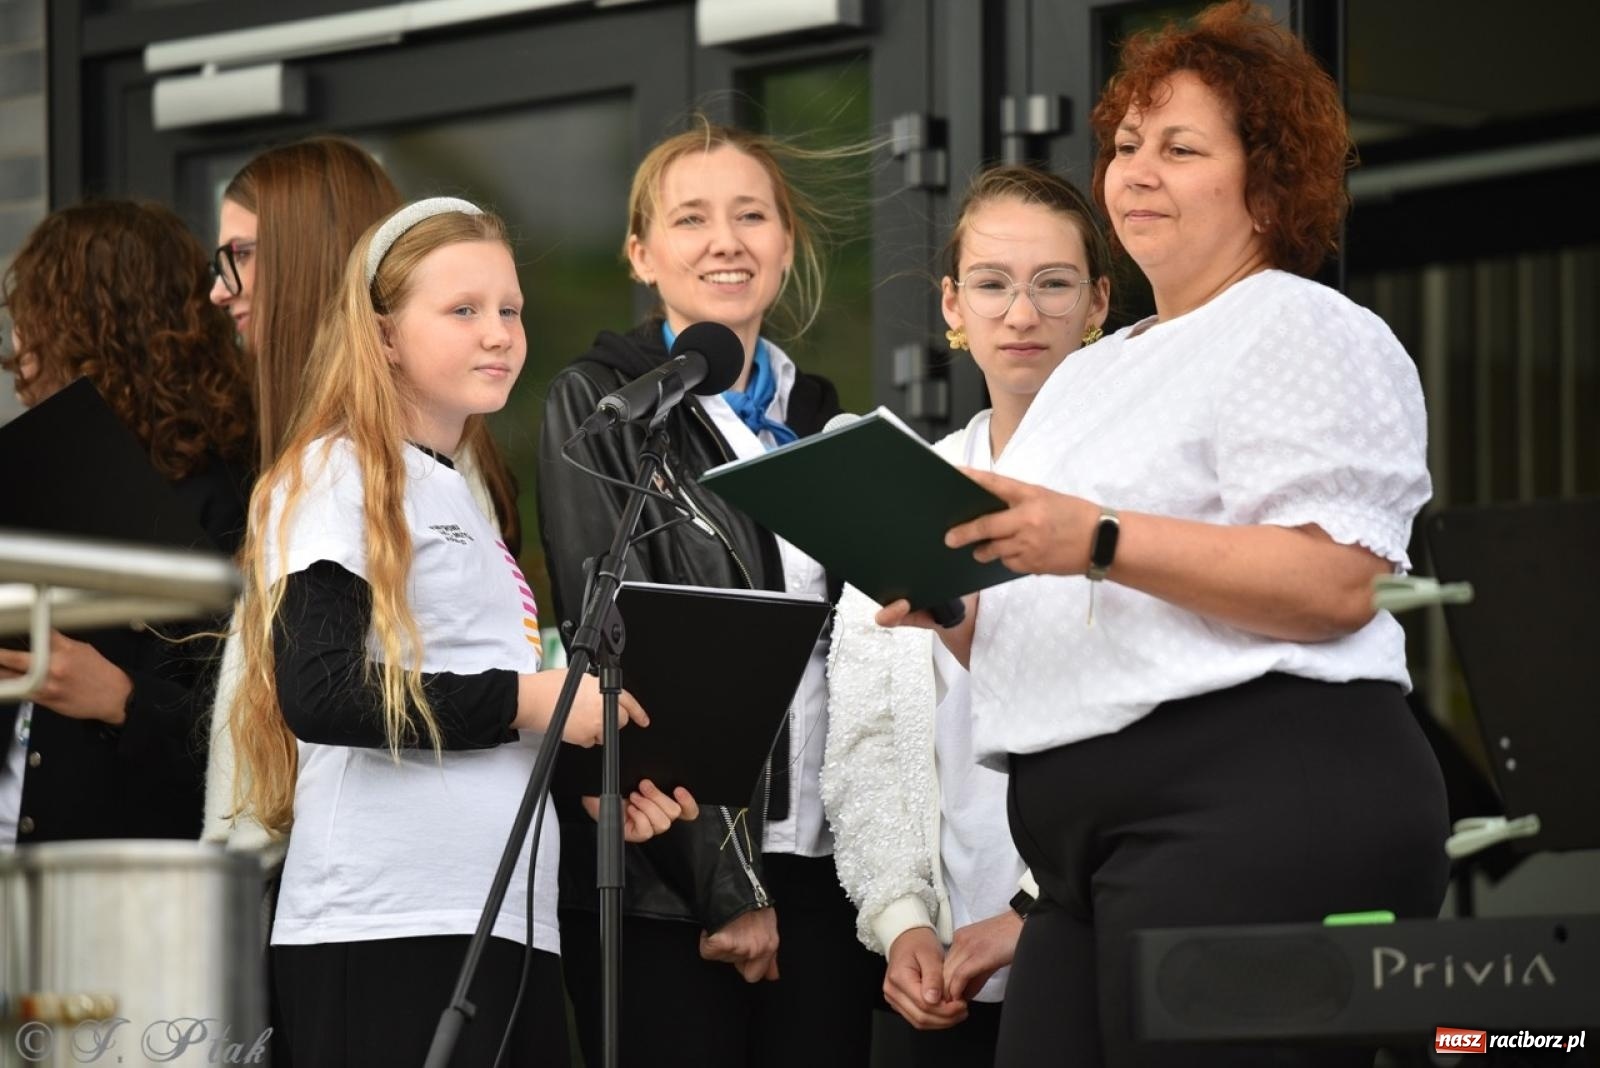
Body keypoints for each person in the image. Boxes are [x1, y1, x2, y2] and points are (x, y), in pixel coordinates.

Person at [879, 4, 1451, 1065]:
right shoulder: (1092, 372)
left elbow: (1334, 585)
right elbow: (1049, 620)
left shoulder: (1304, 323)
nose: (1135, 172)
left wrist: (1094, 536)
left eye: (1179, 149)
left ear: (1265, 183)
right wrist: (948, 602)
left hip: (1253, 803)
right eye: (1126, 147)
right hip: (1075, 848)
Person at [228, 197, 697, 1067]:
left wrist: (585, 777)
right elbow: (320, 691)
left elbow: (469, 709)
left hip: (500, 920)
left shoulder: (463, 492)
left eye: (511, 309)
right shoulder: (339, 470)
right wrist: (532, 701)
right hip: (385, 925)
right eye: (463, 310)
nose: (500, 334)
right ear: (385, 336)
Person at [537, 121, 882, 1067]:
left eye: (750, 216)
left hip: (823, 870)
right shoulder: (603, 405)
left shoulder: (821, 423)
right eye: (691, 219)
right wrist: (724, 889)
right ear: (642, 253)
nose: (725, 240)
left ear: (785, 244)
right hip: (671, 884)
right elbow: (626, 652)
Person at [822, 164, 1110, 1067]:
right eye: (992, 284)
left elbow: (1146, 733)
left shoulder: (1130, 502)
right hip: (935, 977)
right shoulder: (901, 486)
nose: (1021, 314)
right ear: (953, 305)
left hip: (1089, 953)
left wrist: (1029, 915)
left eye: (1052, 284)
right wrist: (901, 919)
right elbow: (863, 739)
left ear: (1099, 303)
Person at [201, 136, 518, 848]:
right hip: (328, 870)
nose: (220, 288)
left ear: (310, 254)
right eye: (466, 310)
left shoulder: (431, 461)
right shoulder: (323, 464)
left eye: (242, 254)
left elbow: (356, 689)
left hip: (388, 873)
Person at [0, 199, 254, 844]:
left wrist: (121, 698)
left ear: (90, 327)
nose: (17, 344)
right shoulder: (37, 477)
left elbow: (257, 736)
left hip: (116, 889)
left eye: (34, 317)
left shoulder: (227, 497)